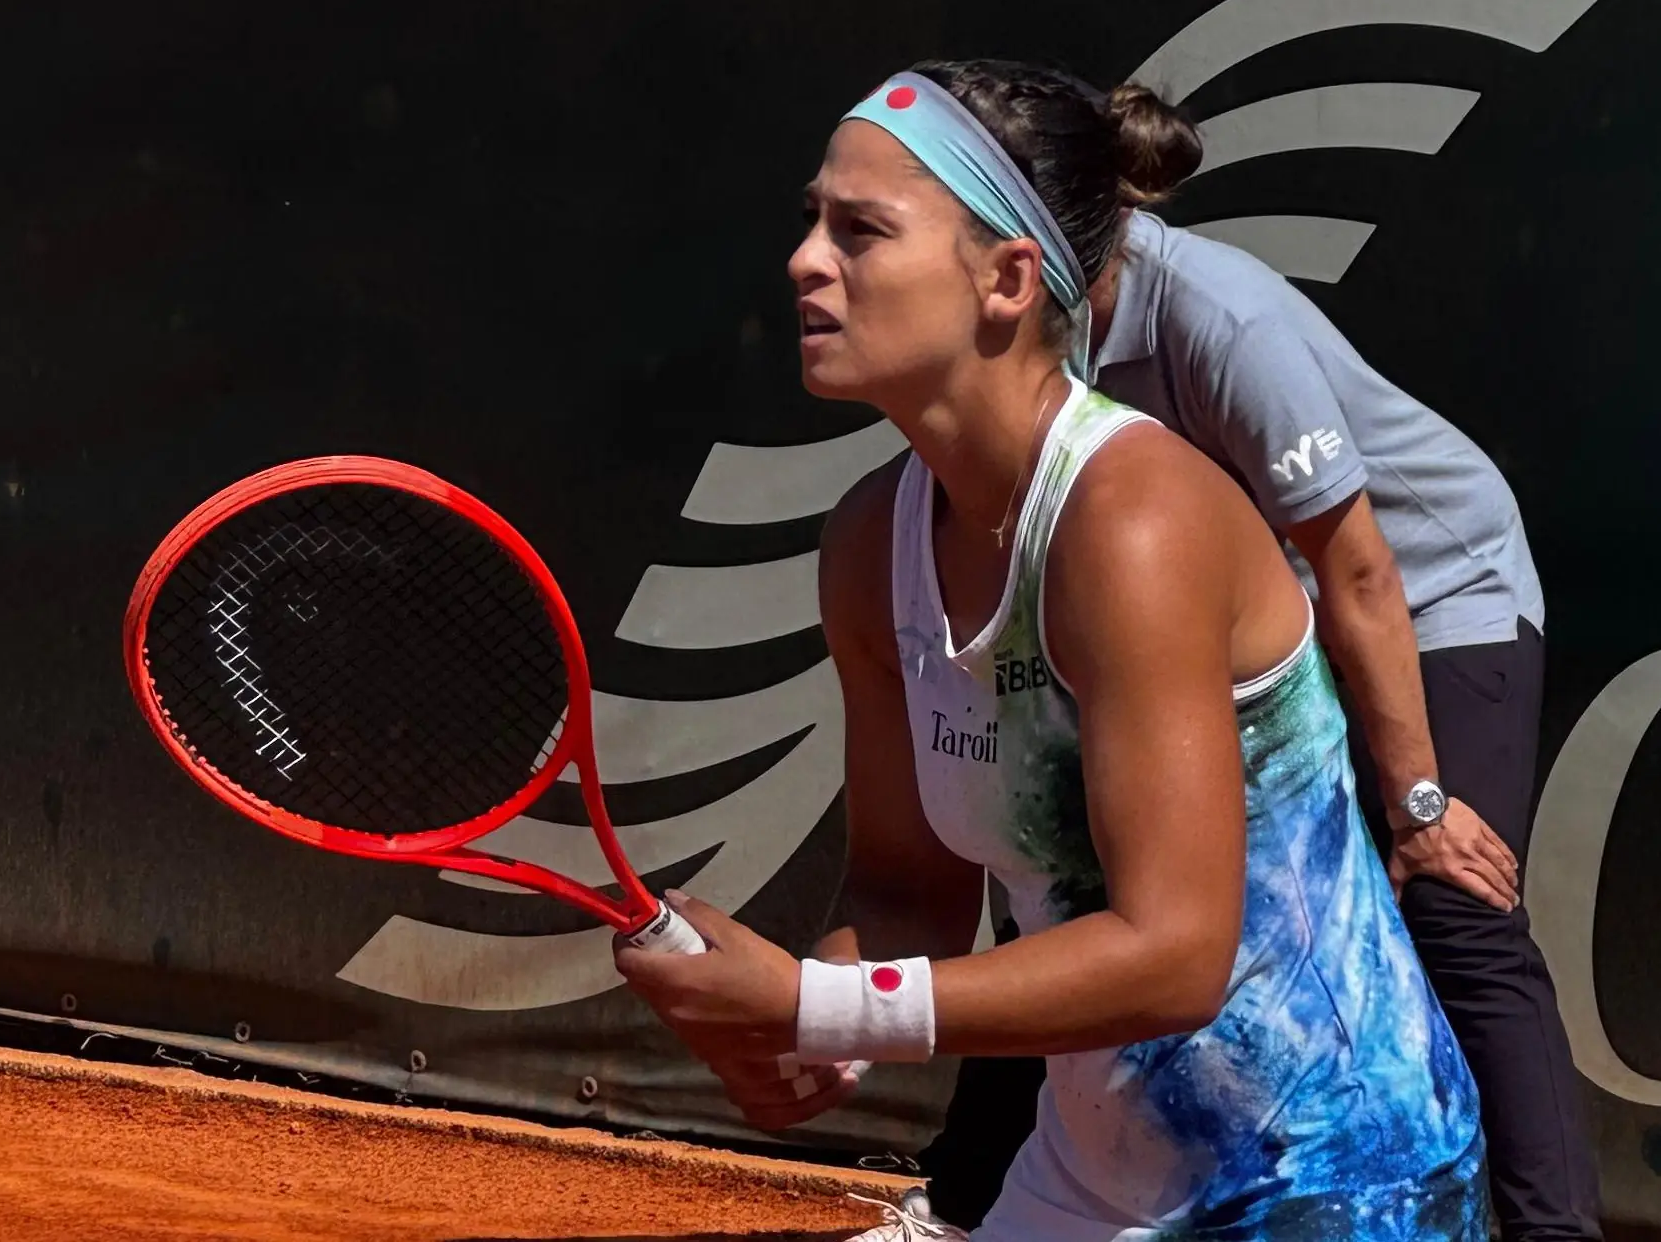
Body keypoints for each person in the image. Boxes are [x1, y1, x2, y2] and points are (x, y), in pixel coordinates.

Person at [617, 61, 1486, 1240]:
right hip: (1086, 1179)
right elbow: (909, 891)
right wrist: (805, 1025)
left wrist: (829, 1003)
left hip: (1330, 1183)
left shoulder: (1135, 520)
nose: (806, 260)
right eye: (813, 219)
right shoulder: (870, 545)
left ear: (1008, 280)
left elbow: (1175, 955)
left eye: (861, 230)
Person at [1070, 79, 1603, 1241]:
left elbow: (1361, 573)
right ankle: (977, 1199)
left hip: (1435, 587)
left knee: (1456, 908)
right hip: (1266, 630)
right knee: (1085, 883)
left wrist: (1419, 805)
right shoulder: (1026, 339)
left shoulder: (1221, 320)